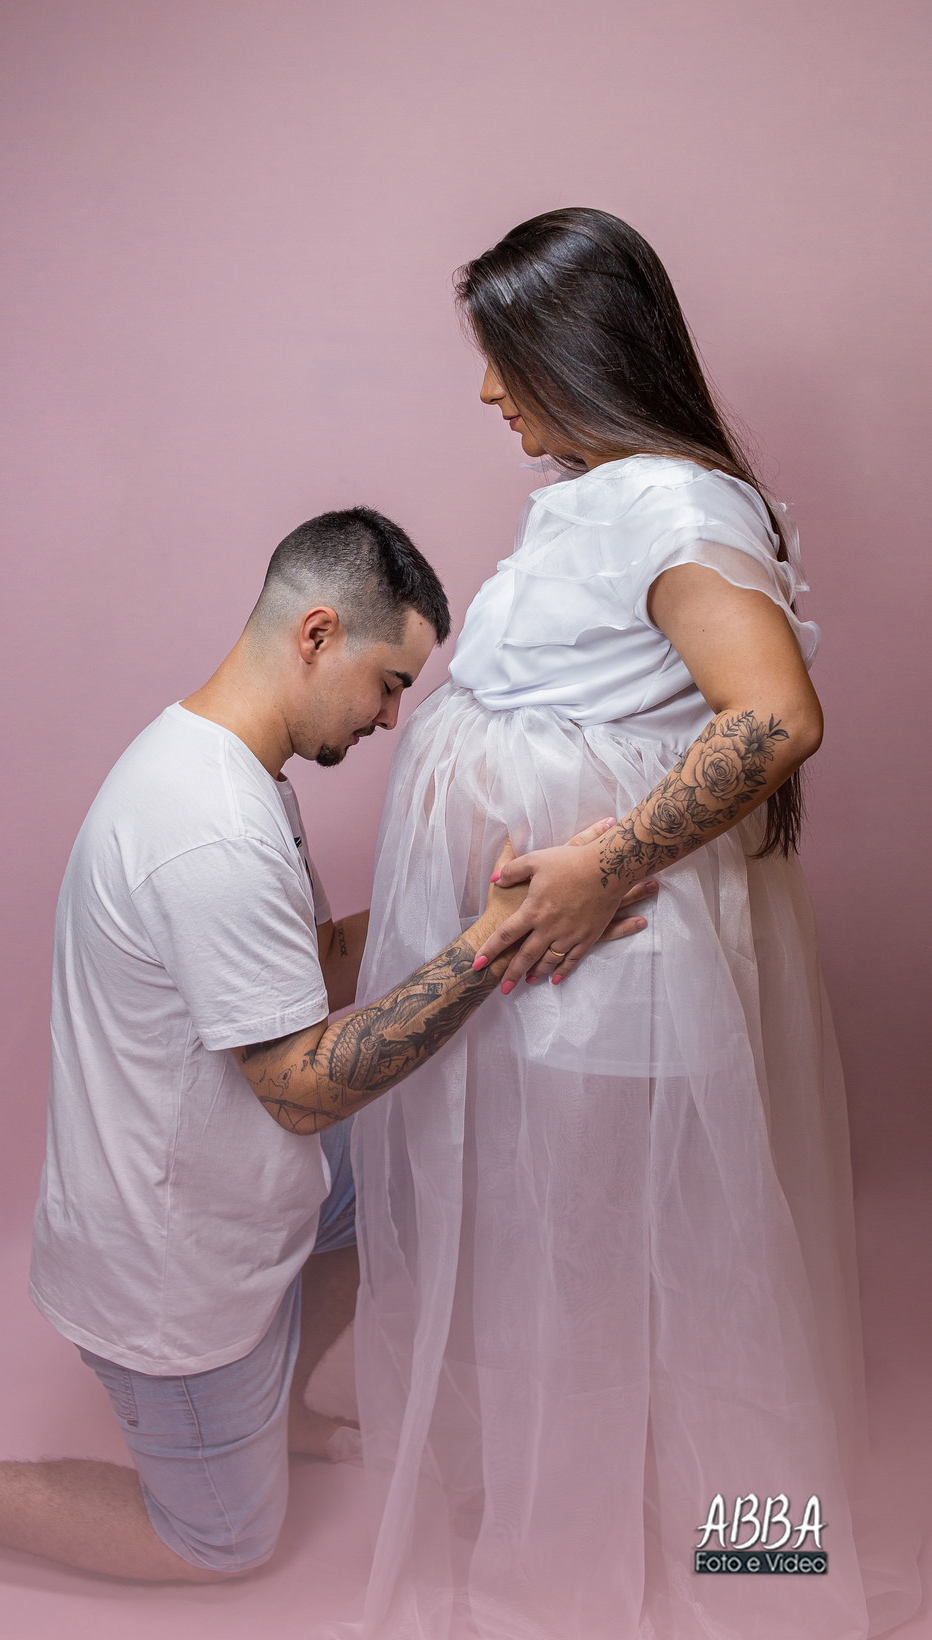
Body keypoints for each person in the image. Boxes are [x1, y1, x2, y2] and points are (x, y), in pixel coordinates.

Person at [0, 505, 653, 1583]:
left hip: (227, 1172)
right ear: (319, 634)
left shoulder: (232, 767)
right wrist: (486, 951)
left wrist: (476, 905)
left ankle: (275, 1409)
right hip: (169, 1265)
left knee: (397, 1166)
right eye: (389, 683)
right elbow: (299, 1093)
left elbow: (311, 961)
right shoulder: (212, 829)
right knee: (218, 1543)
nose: (392, 718)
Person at [336, 211, 922, 1639]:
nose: (487, 391)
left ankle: (754, 1581)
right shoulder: (605, 490)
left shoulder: (672, 505)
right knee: (589, 1264)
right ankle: (584, 1550)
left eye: (505, 356)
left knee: (671, 1277)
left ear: (578, 349)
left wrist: (602, 862)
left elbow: (775, 718)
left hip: (610, 952)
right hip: (556, 958)